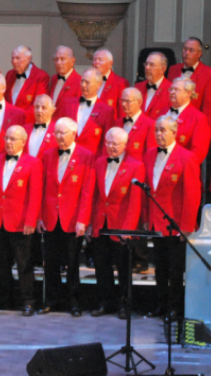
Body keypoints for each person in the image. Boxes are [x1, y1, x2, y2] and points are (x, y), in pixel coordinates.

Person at [143, 116, 201, 320]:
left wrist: (186, 226)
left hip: (176, 223)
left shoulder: (187, 157)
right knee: (160, 268)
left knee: (175, 271)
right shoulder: (150, 154)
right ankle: (160, 305)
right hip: (156, 222)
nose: (159, 134)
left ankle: (175, 308)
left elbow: (192, 194)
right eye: (156, 130)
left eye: (163, 130)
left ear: (174, 132)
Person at [0, 126, 42, 316]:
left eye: (13, 139)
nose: (8, 142)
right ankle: (3, 299)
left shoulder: (33, 163)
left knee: (24, 264)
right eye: (6, 138)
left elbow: (35, 195)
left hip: (21, 223)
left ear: (23, 142)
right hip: (0, 221)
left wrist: (31, 220)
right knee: (1, 264)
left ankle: (28, 301)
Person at [38, 117, 95, 317]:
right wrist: (40, 216)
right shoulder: (47, 154)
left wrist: (83, 219)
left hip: (73, 219)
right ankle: (51, 300)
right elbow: (42, 187)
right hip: (51, 216)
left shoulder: (86, 156)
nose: (59, 137)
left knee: (72, 263)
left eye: (63, 133)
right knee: (51, 263)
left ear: (74, 134)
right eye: (57, 133)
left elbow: (87, 191)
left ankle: (73, 301)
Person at [89, 127, 145, 319]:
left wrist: (127, 228)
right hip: (101, 222)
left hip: (121, 224)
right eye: (108, 143)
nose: (111, 147)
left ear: (125, 145)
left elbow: (135, 201)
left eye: (115, 144)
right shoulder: (98, 163)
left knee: (123, 268)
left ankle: (125, 304)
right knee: (101, 266)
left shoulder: (136, 165)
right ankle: (105, 302)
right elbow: (94, 194)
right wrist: (90, 222)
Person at [55, 68, 115, 156]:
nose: (83, 85)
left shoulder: (106, 111)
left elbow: (106, 143)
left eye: (87, 82)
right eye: (82, 81)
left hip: (91, 161)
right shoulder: (67, 103)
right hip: (66, 156)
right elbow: (56, 129)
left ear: (98, 85)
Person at [168, 37, 211, 130]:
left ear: (199, 54)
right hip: (170, 125)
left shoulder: (210, 75)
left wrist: (205, 133)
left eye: (191, 50)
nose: (187, 53)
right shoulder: (173, 69)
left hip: (192, 127)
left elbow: (210, 110)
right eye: (185, 49)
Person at [160, 78, 211, 164]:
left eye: (176, 90)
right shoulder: (163, 112)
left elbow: (198, 152)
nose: (172, 92)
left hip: (180, 168)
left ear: (188, 93)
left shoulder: (198, 118)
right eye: (171, 89)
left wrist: (183, 167)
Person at [4, 45, 49, 123]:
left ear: (28, 59)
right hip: (8, 122)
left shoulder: (40, 76)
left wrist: (17, 117)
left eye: (18, 58)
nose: (14, 61)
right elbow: (5, 100)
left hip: (27, 123)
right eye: (13, 58)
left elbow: (37, 104)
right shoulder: (9, 75)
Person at [120, 87, 157, 161]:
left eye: (127, 101)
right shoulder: (118, 122)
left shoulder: (150, 124)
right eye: (122, 100)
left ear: (139, 102)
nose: (123, 104)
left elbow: (151, 154)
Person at [92, 48, 128, 118]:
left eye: (100, 60)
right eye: (94, 60)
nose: (96, 62)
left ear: (110, 63)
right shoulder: (88, 81)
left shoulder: (120, 83)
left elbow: (122, 112)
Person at [135, 52, 171, 119]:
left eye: (152, 65)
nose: (147, 67)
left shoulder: (171, 90)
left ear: (163, 69)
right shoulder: (138, 87)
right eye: (146, 64)